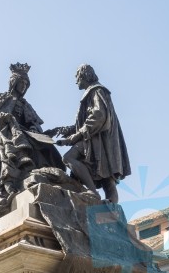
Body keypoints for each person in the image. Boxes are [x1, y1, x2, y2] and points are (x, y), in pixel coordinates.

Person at [0, 63, 65, 218]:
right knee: (12, 139)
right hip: (5, 133)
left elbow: (34, 123)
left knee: (46, 147)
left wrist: (35, 130)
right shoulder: (2, 98)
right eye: (21, 83)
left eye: (26, 84)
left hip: (25, 135)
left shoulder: (26, 105)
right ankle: (15, 177)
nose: (23, 87)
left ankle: (40, 172)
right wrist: (1, 117)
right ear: (14, 82)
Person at [46, 64, 131, 202]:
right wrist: (64, 131)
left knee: (69, 158)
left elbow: (98, 116)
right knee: (106, 177)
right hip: (97, 139)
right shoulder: (95, 92)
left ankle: (93, 194)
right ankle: (109, 208)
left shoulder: (96, 91)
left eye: (77, 77)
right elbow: (83, 123)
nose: (76, 81)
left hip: (98, 140)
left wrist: (74, 138)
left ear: (85, 76)